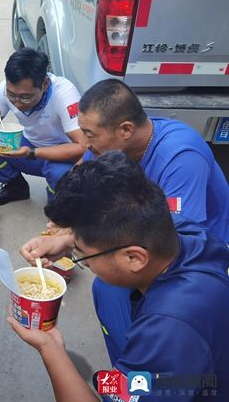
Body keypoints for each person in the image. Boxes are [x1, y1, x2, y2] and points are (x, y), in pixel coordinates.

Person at [13, 151, 229, 401]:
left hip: (197, 385)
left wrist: (49, 346)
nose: (81, 260)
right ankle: (127, 374)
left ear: (134, 258)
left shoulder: (169, 328)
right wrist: (67, 240)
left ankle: (130, 380)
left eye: (82, 257)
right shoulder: (174, 227)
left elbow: (170, 332)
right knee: (108, 289)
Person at [74, 78, 229, 363]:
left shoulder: (181, 157)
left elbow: (175, 236)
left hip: (194, 252)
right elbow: (82, 175)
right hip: (146, 235)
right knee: (106, 284)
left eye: (89, 134)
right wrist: (65, 230)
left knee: (112, 287)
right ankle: (129, 372)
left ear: (125, 130)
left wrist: (85, 243)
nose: (83, 143)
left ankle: (139, 374)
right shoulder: (118, 144)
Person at [0, 48, 87, 205]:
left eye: (26, 97)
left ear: (45, 84)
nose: (17, 103)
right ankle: (16, 187)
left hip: (61, 156)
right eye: (12, 95)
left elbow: (83, 147)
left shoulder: (64, 95)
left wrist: (32, 152)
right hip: (29, 150)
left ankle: (58, 206)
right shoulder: (4, 89)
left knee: (59, 176)